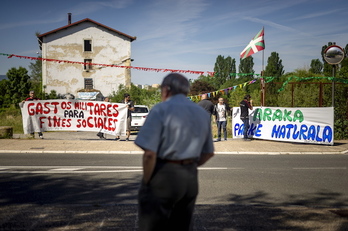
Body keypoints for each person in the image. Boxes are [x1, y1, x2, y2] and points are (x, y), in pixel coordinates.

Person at [135, 73, 214, 231]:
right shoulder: (201, 113)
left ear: (165, 90)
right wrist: (188, 165)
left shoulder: (160, 109)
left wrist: (148, 181)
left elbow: (149, 154)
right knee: (181, 225)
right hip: (190, 177)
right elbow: (208, 153)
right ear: (186, 91)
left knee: (151, 226)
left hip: (164, 174)